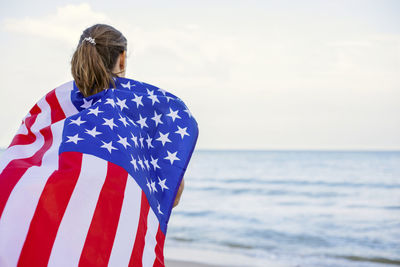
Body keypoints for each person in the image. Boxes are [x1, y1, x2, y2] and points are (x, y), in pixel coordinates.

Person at [0, 24, 198, 267]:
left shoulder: (52, 110)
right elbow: (172, 195)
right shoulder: (135, 119)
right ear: (122, 59)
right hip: (105, 250)